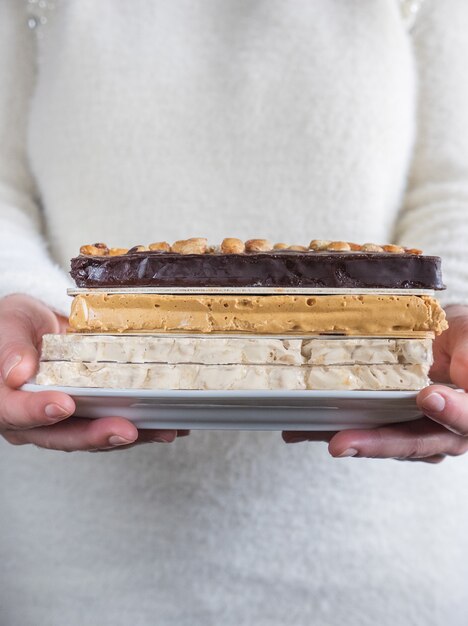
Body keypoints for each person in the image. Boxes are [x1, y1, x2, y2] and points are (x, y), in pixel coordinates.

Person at [1, 1, 468, 624]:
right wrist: (22, 303)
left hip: (388, 555)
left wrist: (450, 316)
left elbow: (454, 183)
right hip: (75, 563)